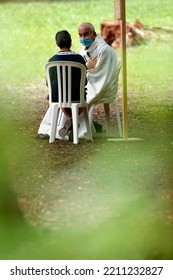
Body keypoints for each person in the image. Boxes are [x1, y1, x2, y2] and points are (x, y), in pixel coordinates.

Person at [38, 23, 119, 139]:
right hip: (79, 89)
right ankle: (76, 125)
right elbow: (81, 75)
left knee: (62, 95)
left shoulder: (104, 50)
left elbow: (101, 74)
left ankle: (54, 128)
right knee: (76, 96)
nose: (83, 38)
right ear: (71, 41)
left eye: (86, 34)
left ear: (94, 34)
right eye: (80, 35)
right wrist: (86, 67)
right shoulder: (79, 55)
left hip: (101, 84)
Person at [38, 30, 86, 140]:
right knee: (82, 97)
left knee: (61, 95)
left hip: (57, 97)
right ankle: (74, 121)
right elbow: (85, 82)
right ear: (71, 42)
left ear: (57, 44)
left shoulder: (52, 61)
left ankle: (68, 120)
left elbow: (48, 83)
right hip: (76, 96)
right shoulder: (79, 59)